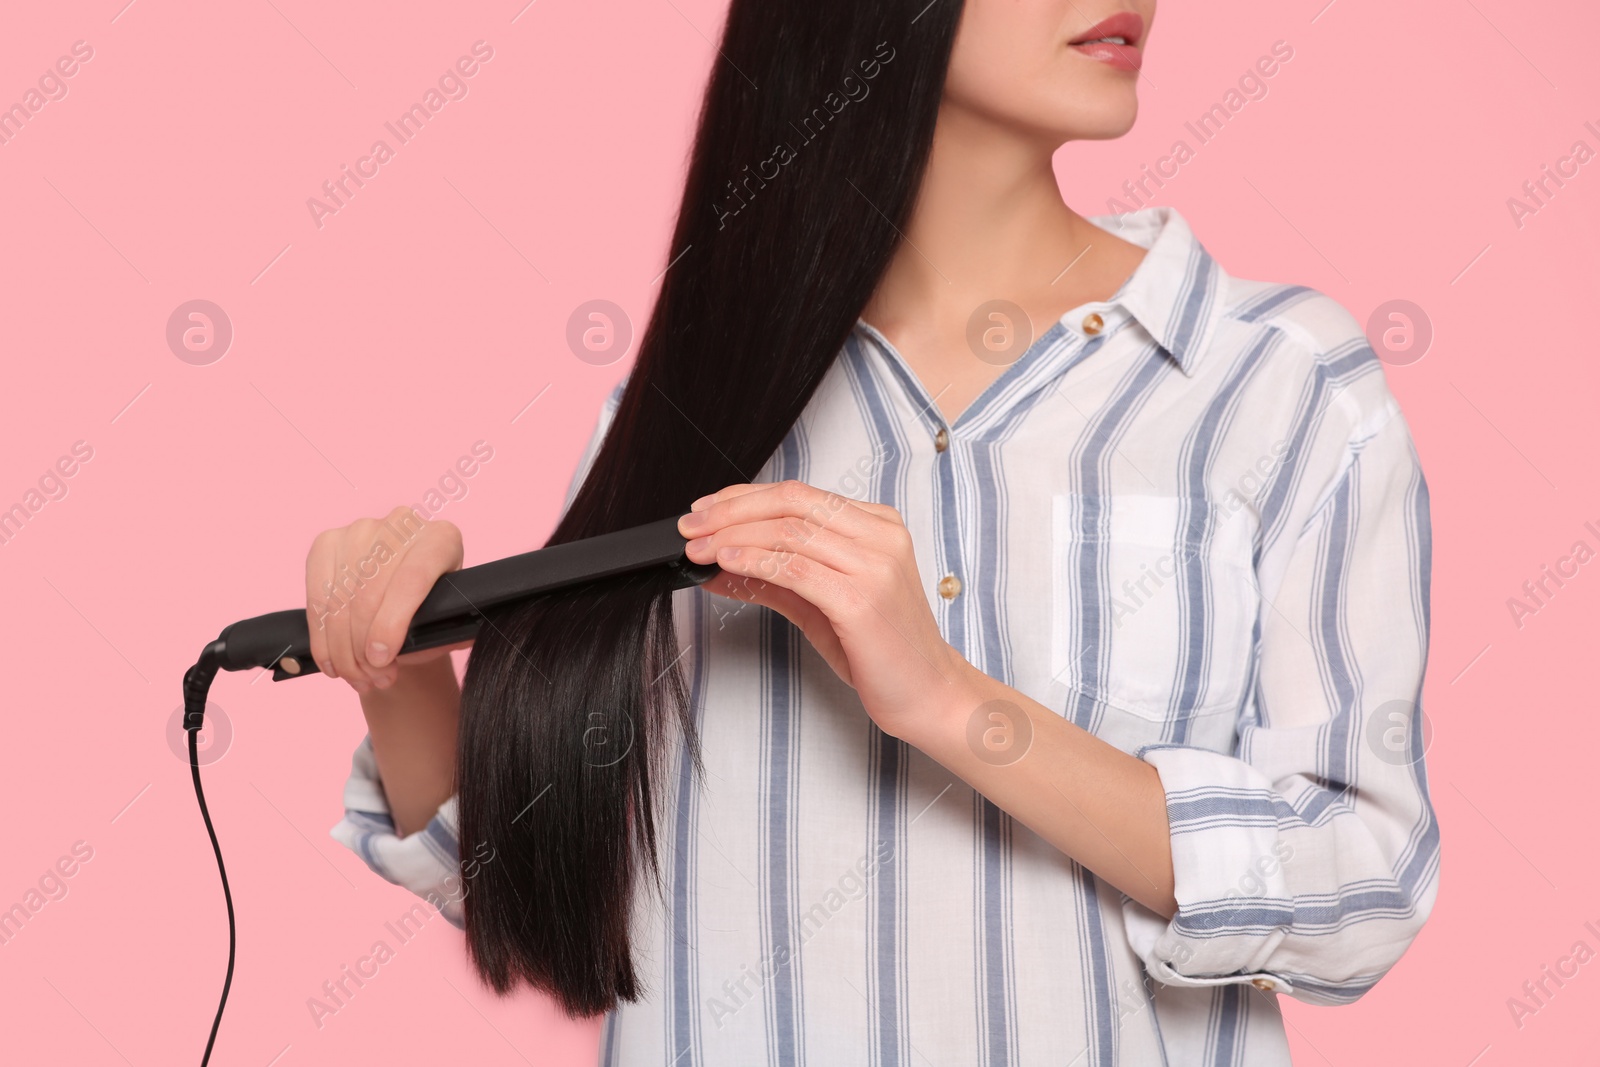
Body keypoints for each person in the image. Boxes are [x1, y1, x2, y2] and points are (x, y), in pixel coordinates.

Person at [308, 0, 1439, 1062]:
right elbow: (548, 883)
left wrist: (954, 704)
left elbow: (1365, 883)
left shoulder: (1276, 383)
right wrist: (394, 668)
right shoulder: (696, 400)